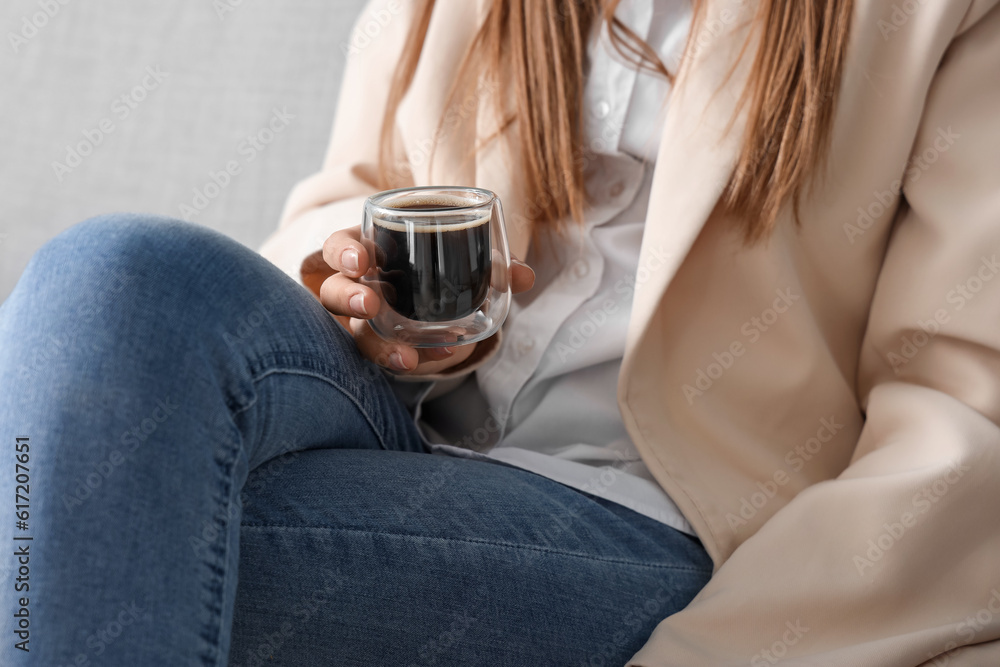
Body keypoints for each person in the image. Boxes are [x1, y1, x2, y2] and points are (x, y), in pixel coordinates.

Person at [2, 0, 998, 664]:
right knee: (111, 278)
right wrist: (355, 284)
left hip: (677, 522)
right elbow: (354, 188)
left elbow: (963, 418)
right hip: (420, 425)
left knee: (79, 525)